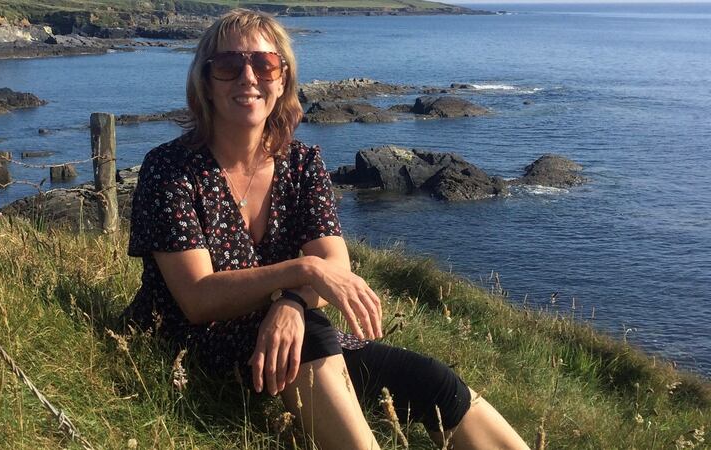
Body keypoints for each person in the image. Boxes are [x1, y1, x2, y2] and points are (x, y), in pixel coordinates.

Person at [122, 8, 529, 449]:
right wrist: (301, 274)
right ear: (205, 80)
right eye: (228, 65)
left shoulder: (302, 163)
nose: (247, 77)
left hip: (291, 331)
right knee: (315, 335)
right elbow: (198, 298)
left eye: (264, 64)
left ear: (283, 79)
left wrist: (293, 302)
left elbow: (334, 263)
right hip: (188, 343)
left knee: (432, 381)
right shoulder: (170, 168)